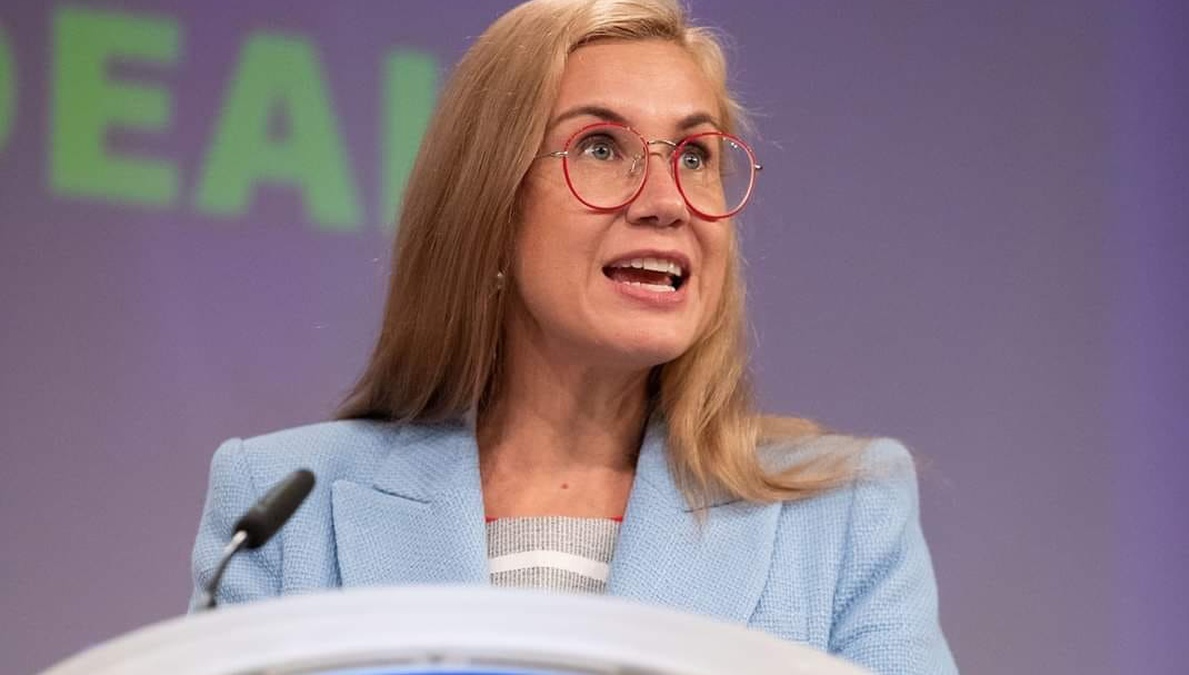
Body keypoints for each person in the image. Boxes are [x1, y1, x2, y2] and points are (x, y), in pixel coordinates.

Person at [190, 0, 957, 672]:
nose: (668, 202)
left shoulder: (845, 517)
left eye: (695, 156)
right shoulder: (282, 509)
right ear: (489, 202)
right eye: (600, 148)